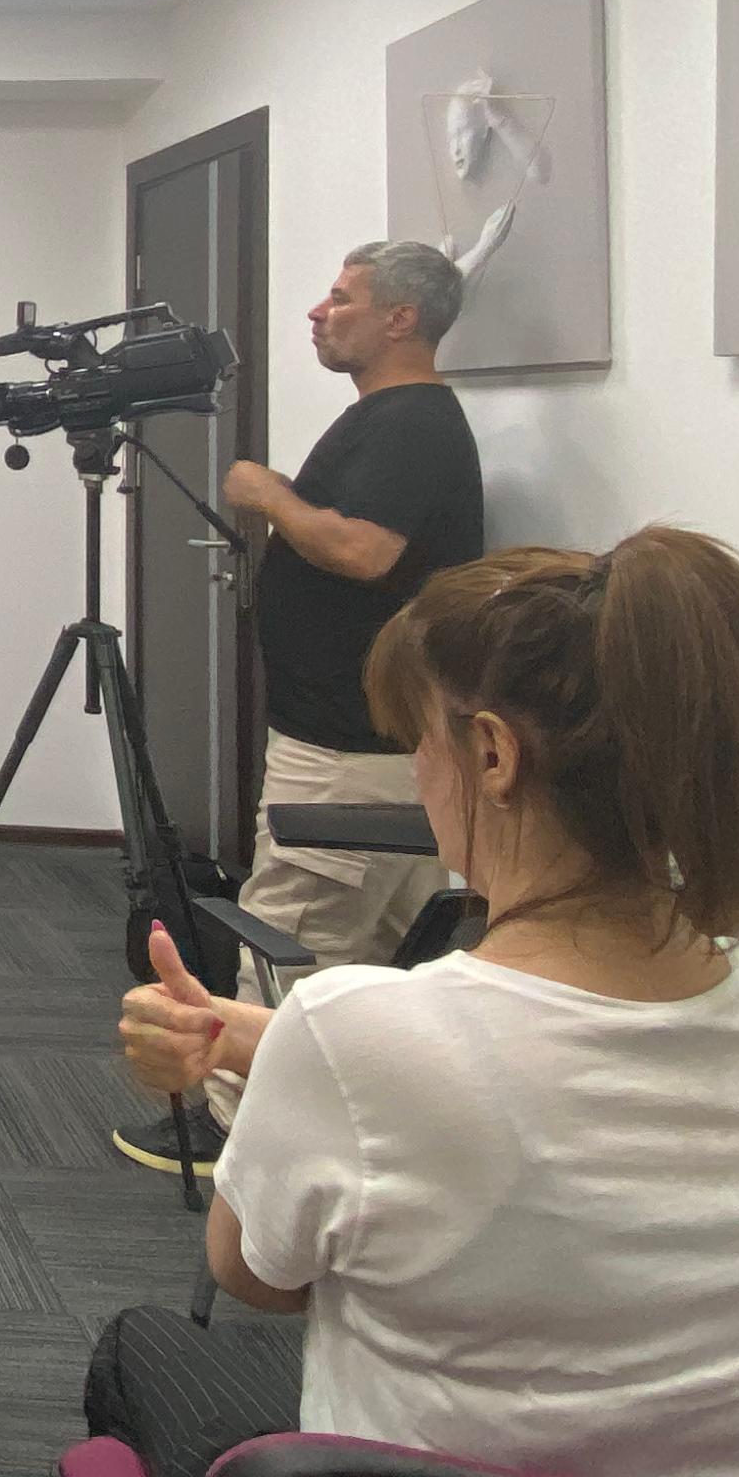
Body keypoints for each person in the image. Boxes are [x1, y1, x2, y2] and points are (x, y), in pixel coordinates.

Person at [97, 531, 739, 1477]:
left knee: (140, 1352)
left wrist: (294, 1056)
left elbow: (257, 1272)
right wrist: (254, 1038)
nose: (416, 770)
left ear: (491, 755)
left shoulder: (355, 1034)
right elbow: (535, 1073)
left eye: (417, 743)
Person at [215, 238, 488, 1045]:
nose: (317, 312)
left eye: (341, 298)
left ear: (400, 319)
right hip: (375, 744)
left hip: (347, 756)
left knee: (290, 958)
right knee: (386, 967)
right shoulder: (397, 417)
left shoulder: (412, 423)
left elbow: (365, 551)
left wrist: (269, 495)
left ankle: (240, 1111)